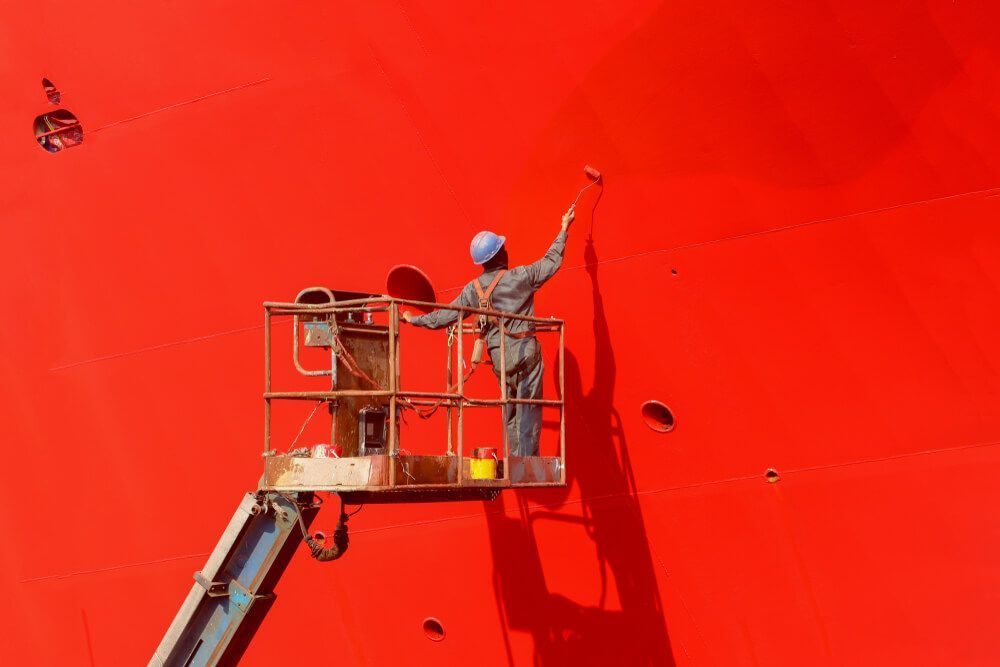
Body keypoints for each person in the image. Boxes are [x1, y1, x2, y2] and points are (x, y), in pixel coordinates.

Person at [402, 206, 575, 456]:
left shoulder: (473, 290)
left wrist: (413, 320)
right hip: (527, 357)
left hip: (501, 363)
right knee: (528, 411)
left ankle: (515, 460)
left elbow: (445, 316)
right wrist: (563, 229)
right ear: (501, 253)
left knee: (510, 411)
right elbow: (551, 262)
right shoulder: (521, 277)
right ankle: (525, 465)